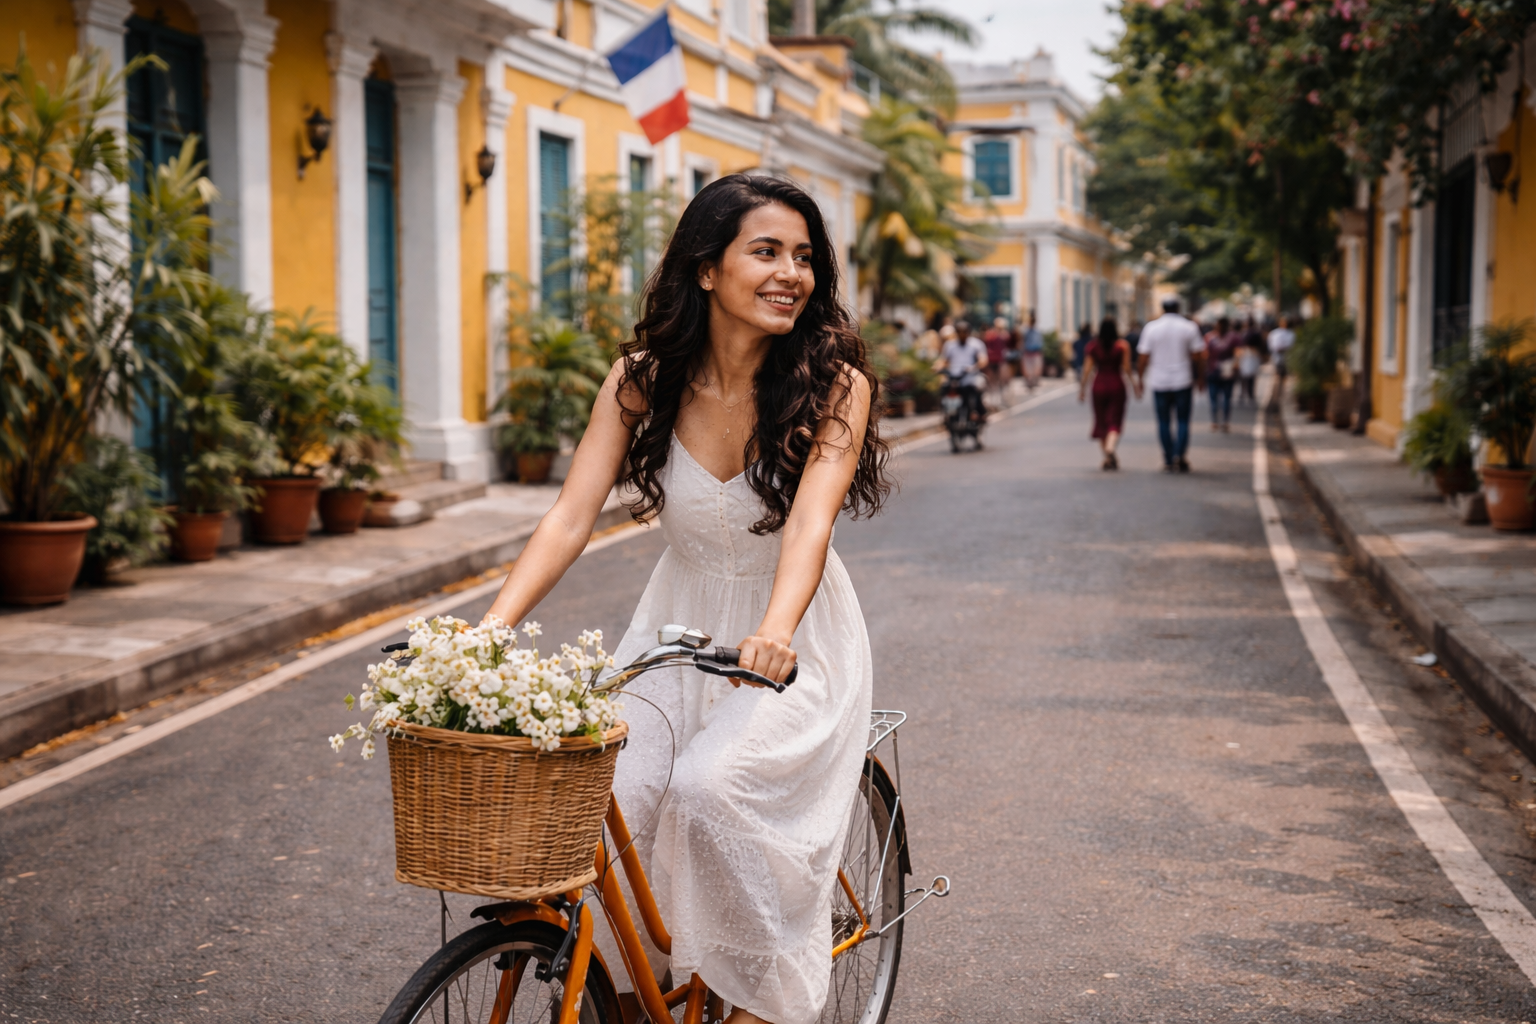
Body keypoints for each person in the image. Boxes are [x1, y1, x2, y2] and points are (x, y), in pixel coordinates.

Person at [481, 174, 890, 1024]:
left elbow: (809, 526)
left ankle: (758, 994)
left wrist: (774, 635)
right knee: (599, 799)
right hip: (672, 630)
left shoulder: (832, 383)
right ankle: (645, 982)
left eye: (805, 257)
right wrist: (488, 631)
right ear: (707, 269)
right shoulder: (643, 379)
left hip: (793, 639)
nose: (792, 274)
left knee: (710, 789)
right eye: (767, 251)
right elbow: (568, 517)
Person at [1136, 297, 1206, 473]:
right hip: (1183, 380)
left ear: (1162, 308)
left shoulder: (1151, 328)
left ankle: (1168, 458)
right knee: (1183, 420)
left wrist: (1140, 380)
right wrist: (1200, 378)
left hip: (1159, 381)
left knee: (1163, 421)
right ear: (1178, 308)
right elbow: (1199, 355)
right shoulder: (1189, 327)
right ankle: (1180, 455)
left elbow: (1143, 357)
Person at [1079, 316, 1136, 470]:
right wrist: (1135, 385)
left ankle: (1107, 455)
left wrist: (1082, 389)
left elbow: (1086, 370)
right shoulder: (1122, 346)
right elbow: (1127, 368)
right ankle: (1110, 448)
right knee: (1115, 420)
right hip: (1117, 384)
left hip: (1098, 385)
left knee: (1101, 420)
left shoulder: (1092, 346)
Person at [934, 318, 988, 423]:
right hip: (954, 377)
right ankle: (946, 414)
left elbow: (983, 359)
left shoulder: (976, 344)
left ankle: (978, 412)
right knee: (944, 388)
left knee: (977, 388)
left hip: (970, 377)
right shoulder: (950, 345)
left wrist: (974, 366)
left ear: (969, 332)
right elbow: (944, 360)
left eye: (964, 332)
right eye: (959, 332)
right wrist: (937, 367)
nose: (962, 334)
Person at [1205, 316, 1239, 433]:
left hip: (1213, 371)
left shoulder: (1210, 337)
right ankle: (1225, 421)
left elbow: (1204, 355)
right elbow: (1238, 354)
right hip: (1228, 372)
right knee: (1227, 398)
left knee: (1214, 398)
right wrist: (1235, 366)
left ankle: (1215, 421)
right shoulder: (1234, 337)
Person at [983, 316, 1012, 401]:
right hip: (991, 360)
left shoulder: (1004, 335)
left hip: (1000, 360)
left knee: (1002, 380)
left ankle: (1000, 399)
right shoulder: (990, 334)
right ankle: (992, 399)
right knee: (992, 381)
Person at [1237, 318, 1262, 406]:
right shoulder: (1256, 333)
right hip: (1253, 355)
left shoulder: (1243, 333)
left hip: (1246, 355)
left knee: (1244, 377)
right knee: (1251, 377)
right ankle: (1250, 395)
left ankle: (1243, 394)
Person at [1020, 313, 1044, 391]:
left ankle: (1034, 382)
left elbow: (1040, 343)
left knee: (1036, 369)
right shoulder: (1025, 331)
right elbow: (1022, 342)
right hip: (1028, 353)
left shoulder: (1038, 331)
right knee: (1028, 369)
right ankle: (1029, 382)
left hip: (1035, 352)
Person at [1268, 314, 1296, 381]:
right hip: (1277, 357)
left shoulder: (1291, 333)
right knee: (1277, 376)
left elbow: (1292, 344)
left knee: (1284, 376)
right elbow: (1271, 344)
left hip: (1287, 357)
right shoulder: (1274, 333)